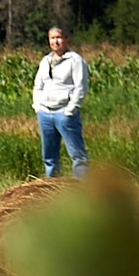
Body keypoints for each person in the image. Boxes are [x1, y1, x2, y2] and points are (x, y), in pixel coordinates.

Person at [32, 26, 89, 179]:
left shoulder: (75, 61)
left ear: (66, 39)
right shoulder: (45, 61)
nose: (55, 41)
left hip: (64, 113)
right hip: (45, 114)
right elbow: (38, 86)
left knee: (77, 155)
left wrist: (71, 110)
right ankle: (51, 189)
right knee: (49, 157)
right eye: (52, 38)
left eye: (59, 37)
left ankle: (81, 190)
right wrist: (38, 107)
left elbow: (81, 87)